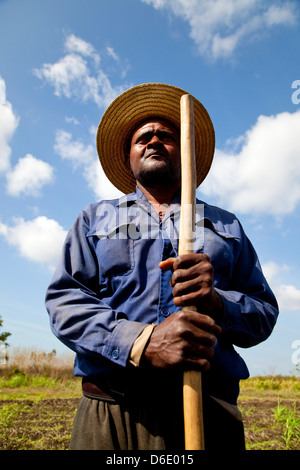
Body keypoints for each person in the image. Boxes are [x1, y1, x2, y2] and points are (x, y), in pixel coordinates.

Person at [45, 83, 279, 451]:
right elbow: (65, 304)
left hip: (208, 412)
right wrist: (143, 341)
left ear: (186, 154)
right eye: (143, 138)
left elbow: (264, 313)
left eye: (166, 135)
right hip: (112, 411)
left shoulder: (226, 225)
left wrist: (217, 300)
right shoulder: (96, 218)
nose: (154, 140)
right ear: (129, 158)